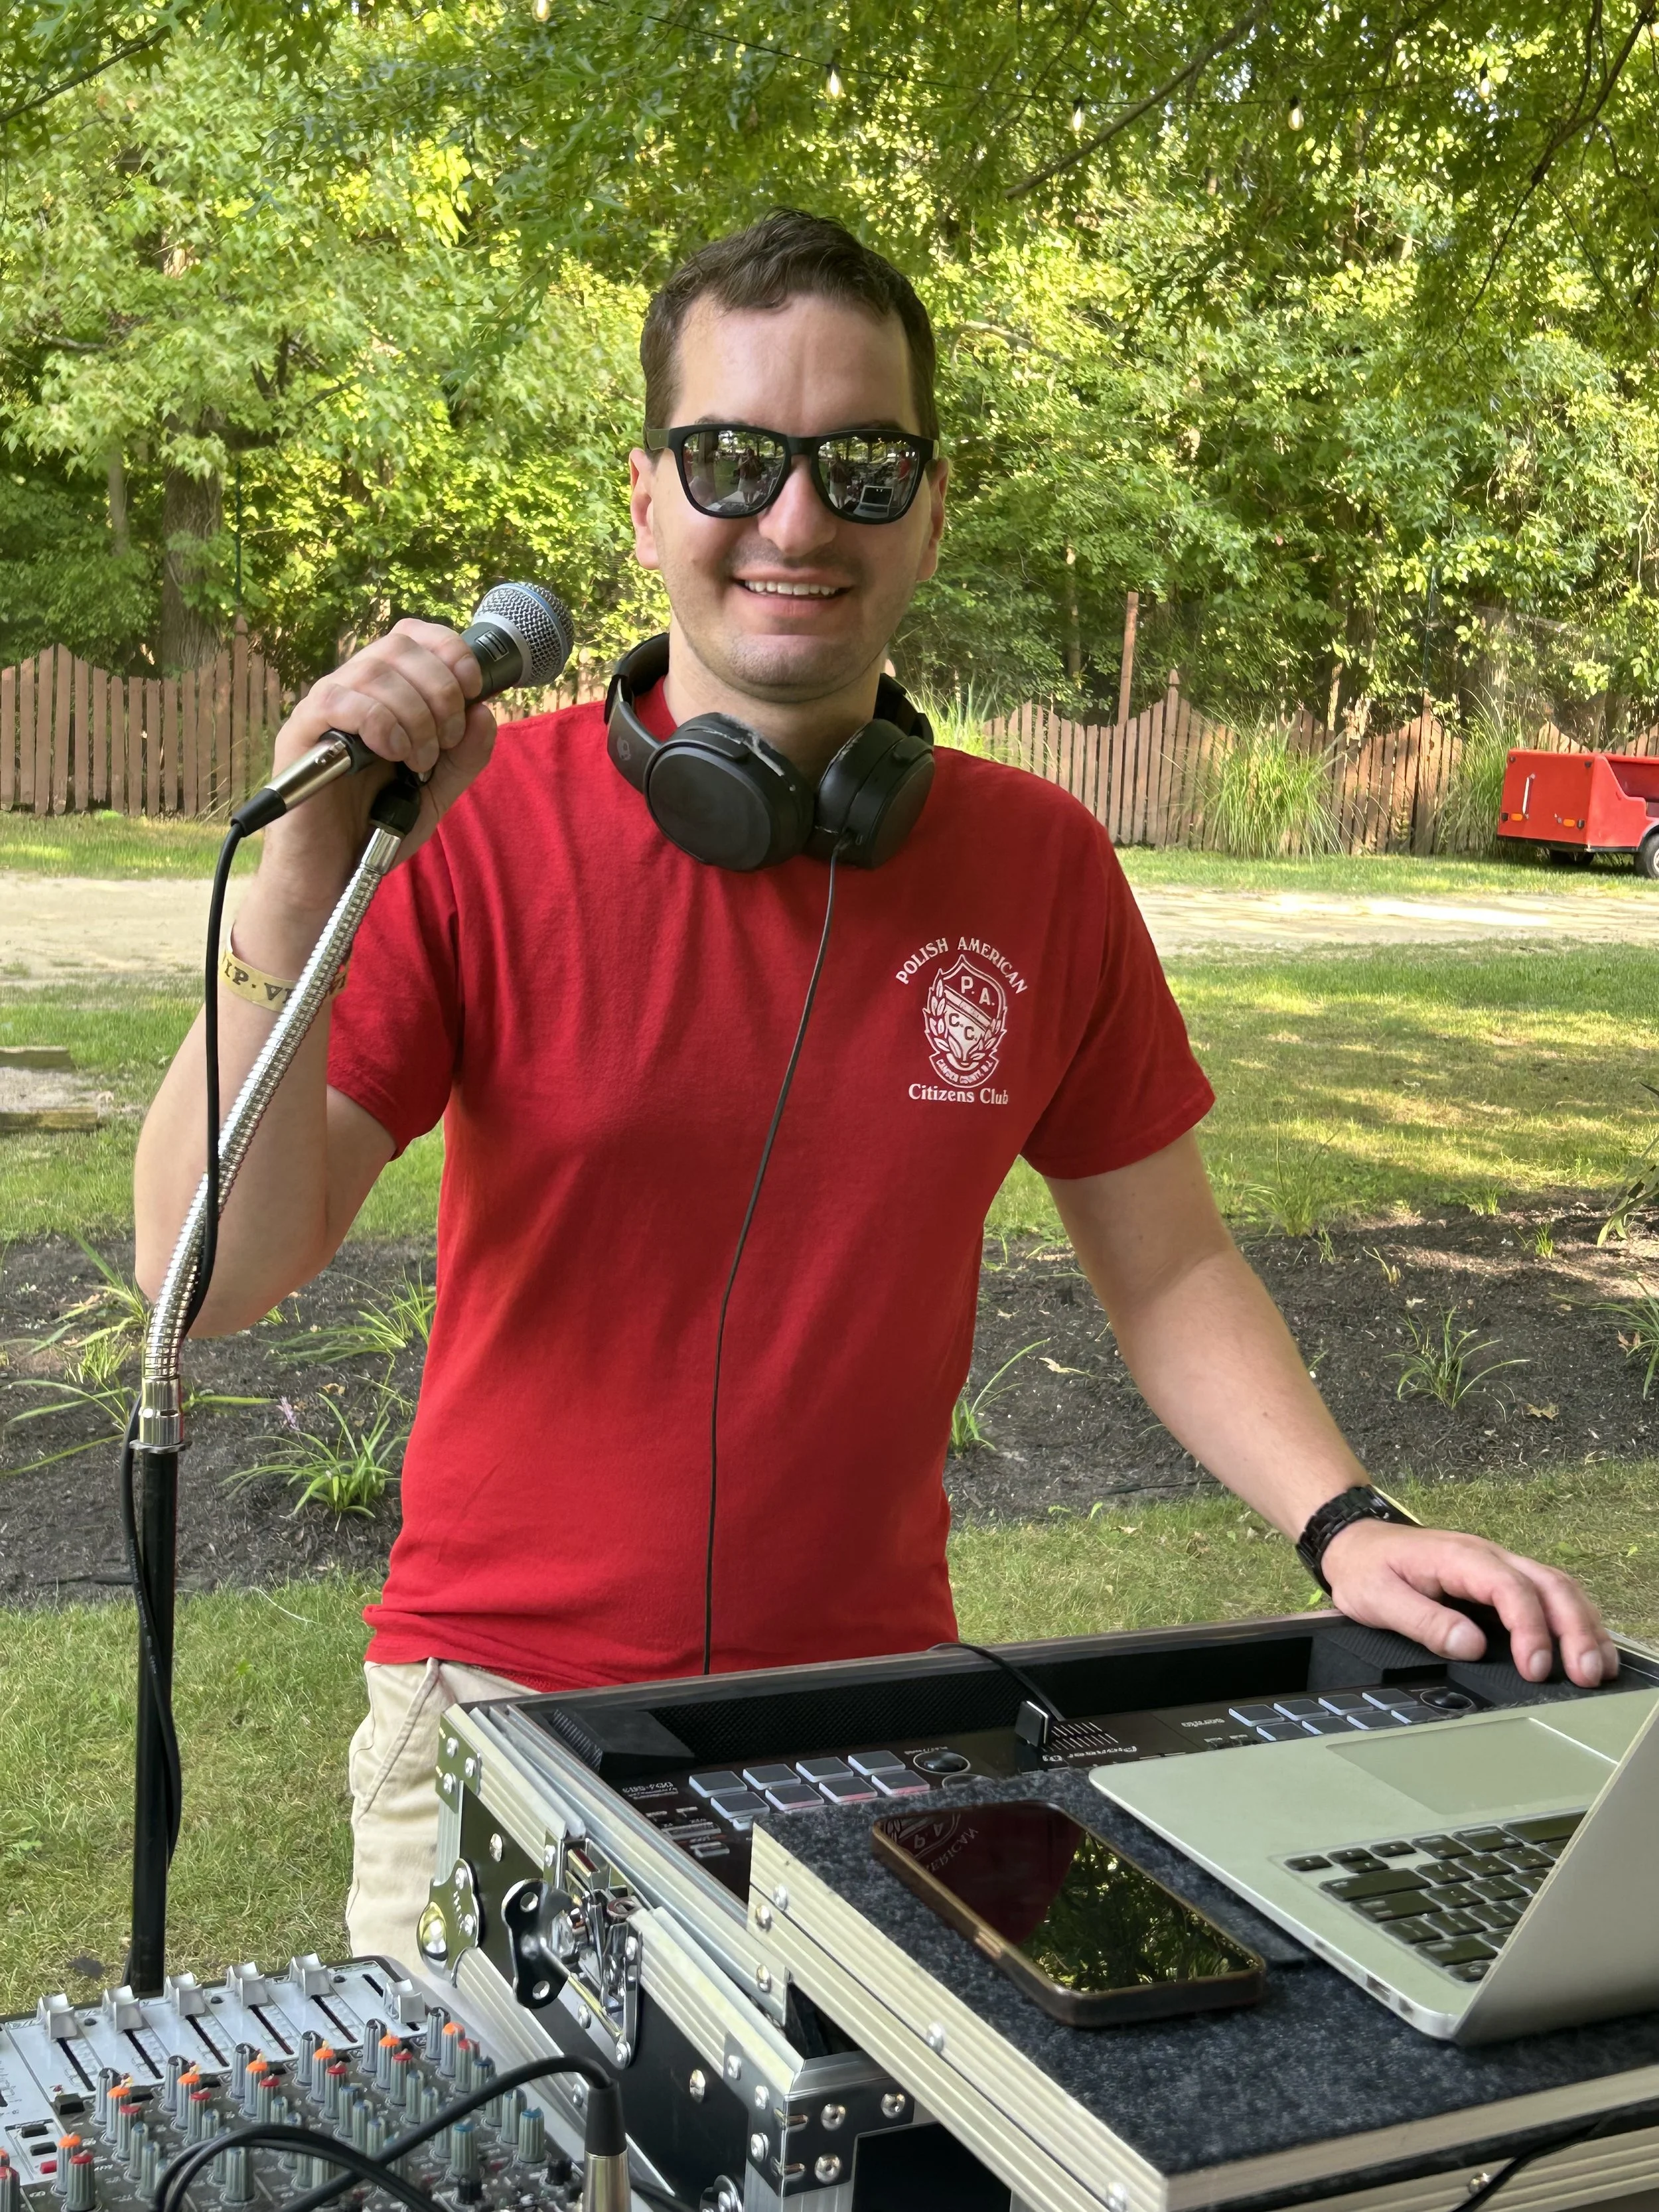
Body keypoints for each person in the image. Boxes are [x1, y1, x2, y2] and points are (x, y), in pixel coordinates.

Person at [133, 210, 1617, 1970]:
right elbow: (209, 1281)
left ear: (927, 507)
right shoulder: (479, 828)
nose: (791, 518)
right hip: (503, 1714)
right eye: (733, 457)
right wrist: (298, 907)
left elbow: (1169, 1265)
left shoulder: (1041, 865)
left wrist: (1345, 1522)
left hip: (874, 1722)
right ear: (643, 500)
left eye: (859, 463)